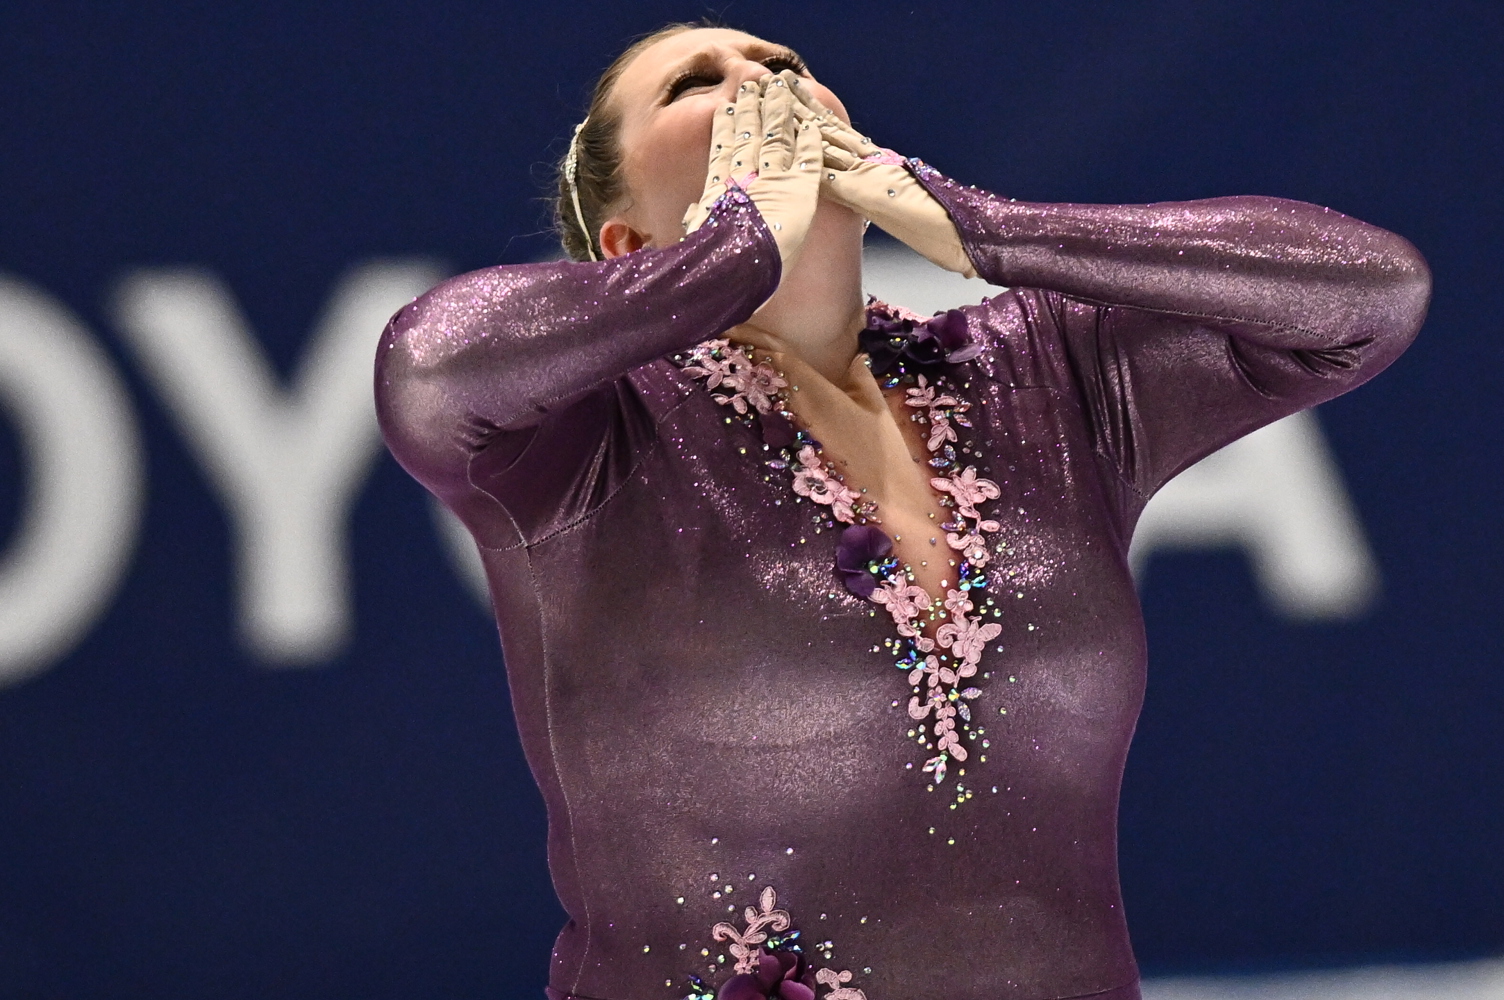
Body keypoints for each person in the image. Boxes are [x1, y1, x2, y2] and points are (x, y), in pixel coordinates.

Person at [374, 22, 1430, 1000]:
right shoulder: (585, 438)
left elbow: (1366, 298)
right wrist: (735, 252)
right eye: (696, 85)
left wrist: (991, 229)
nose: (760, 84)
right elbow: (428, 364)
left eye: (782, 65)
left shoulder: (1045, 377)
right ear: (624, 247)